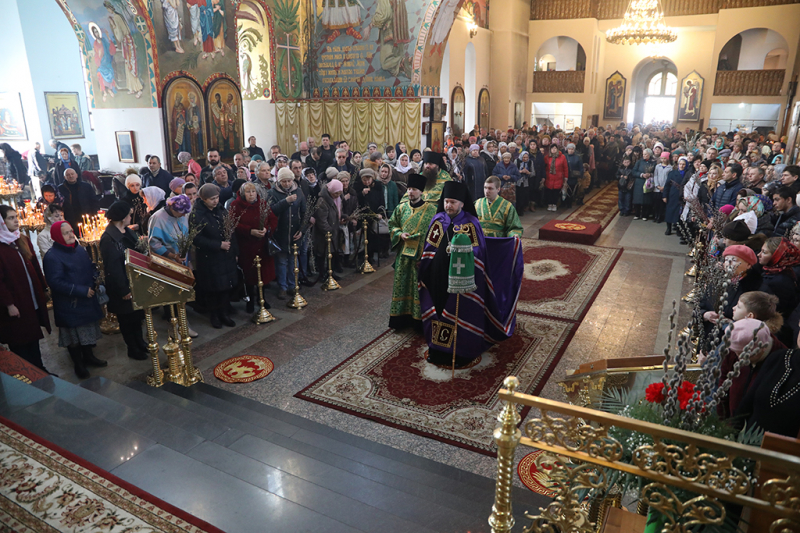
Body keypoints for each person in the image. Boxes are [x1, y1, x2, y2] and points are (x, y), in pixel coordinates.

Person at [418, 181, 523, 368]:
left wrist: (461, 255)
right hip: (438, 277)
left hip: (463, 279)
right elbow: (429, 249)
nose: (448, 206)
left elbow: (478, 252)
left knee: (460, 313)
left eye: (453, 202)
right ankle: (437, 349)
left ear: (461, 203)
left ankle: (461, 351)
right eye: (446, 202)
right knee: (438, 312)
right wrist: (424, 272)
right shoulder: (438, 220)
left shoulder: (470, 223)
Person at [43, 221, 106, 378]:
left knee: (87, 332)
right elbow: (55, 282)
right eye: (66, 233)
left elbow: (89, 265)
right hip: (70, 304)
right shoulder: (52, 256)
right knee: (74, 337)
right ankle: (78, 364)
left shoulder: (79, 249)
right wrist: (81, 291)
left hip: (86, 299)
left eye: (71, 231)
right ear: (58, 236)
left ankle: (89, 357)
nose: (71, 235)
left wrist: (95, 277)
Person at [0, 206, 51, 371]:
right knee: (20, 341)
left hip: (30, 298)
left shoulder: (21, 239)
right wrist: (9, 304)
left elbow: (35, 265)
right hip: (16, 303)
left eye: (16, 216)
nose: (16, 220)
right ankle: (28, 374)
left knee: (33, 336)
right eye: (10, 218)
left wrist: (44, 288)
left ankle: (40, 369)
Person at [99, 201, 148, 360]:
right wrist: (124, 290)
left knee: (137, 316)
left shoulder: (127, 231)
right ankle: (132, 348)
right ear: (121, 217)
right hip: (122, 286)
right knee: (127, 319)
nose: (130, 217)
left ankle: (140, 342)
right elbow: (113, 268)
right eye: (129, 215)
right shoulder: (108, 239)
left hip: (134, 281)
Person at [387, 173, 437, 330]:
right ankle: (400, 320)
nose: (410, 192)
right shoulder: (401, 208)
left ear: (421, 191)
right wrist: (399, 234)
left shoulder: (432, 210)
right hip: (403, 255)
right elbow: (392, 224)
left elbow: (436, 234)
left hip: (420, 256)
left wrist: (428, 256)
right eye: (409, 189)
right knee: (401, 285)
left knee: (418, 288)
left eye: (414, 189)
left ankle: (418, 322)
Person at [191, 184, 240, 328]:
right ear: (203, 199)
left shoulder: (221, 210)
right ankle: (215, 315)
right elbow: (196, 238)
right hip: (209, 257)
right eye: (212, 199)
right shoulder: (197, 215)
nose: (215, 201)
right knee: (213, 289)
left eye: (217, 197)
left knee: (225, 287)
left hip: (225, 256)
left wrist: (235, 252)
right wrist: (218, 245)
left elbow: (231, 232)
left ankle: (224, 313)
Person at [231, 182, 278, 313]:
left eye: (253, 192)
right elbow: (233, 223)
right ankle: (250, 300)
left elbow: (273, 219)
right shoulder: (235, 205)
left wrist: (266, 229)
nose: (251, 194)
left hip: (262, 244)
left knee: (262, 274)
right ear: (242, 193)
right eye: (248, 192)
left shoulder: (262, 203)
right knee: (249, 274)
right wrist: (249, 231)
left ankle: (262, 298)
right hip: (246, 246)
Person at [268, 168, 307, 300]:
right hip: (280, 233)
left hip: (295, 233)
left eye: (289, 181)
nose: (287, 184)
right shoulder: (272, 192)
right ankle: (283, 287)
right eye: (284, 181)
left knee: (293, 261)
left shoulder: (299, 191)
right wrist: (286, 201)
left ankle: (292, 285)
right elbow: (271, 211)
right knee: (281, 261)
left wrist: (302, 230)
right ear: (279, 181)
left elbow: (304, 213)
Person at [312, 179, 343, 285]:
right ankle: (322, 273)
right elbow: (322, 220)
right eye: (336, 193)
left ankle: (331, 272)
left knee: (332, 253)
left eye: (340, 193)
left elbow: (337, 212)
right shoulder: (322, 201)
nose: (338, 195)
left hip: (333, 231)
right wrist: (329, 231)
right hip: (324, 233)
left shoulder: (337, 199)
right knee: (322, 253)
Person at [662, 157, 687, 235]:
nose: (681, 166)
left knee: (679, 213)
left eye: (683, 164)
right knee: (670, 211)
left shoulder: (688, 174)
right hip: (672, 195)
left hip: (682, 195)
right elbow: (667, 185)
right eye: (680, 164)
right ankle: (668, 228)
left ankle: (679, 229)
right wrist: (665, 196)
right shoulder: (672, 173)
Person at [632, 148, 656, 220]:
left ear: (649, 154)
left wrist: (650, 174)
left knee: (646, 199)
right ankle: (637, 214)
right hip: (639, 182)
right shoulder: (639, 162)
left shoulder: (653, 162)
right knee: (637, 199)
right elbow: (634, 171)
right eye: (643, 154)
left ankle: (645, 215)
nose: (644, 155)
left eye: (646, 154)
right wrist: (642, 175)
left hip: (648, 182)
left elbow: (655, 172)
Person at [543, 144, 568, 211]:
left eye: (555, 148)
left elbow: (565, 168)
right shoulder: (547, 157)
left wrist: (566, 177)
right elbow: (544, 167)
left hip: (558, 177)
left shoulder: (562, 157)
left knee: (556, 192)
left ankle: (554, 204)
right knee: (549, 192)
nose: (553, 150)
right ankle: (549, 204)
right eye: (552, 148)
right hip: (549, 177)